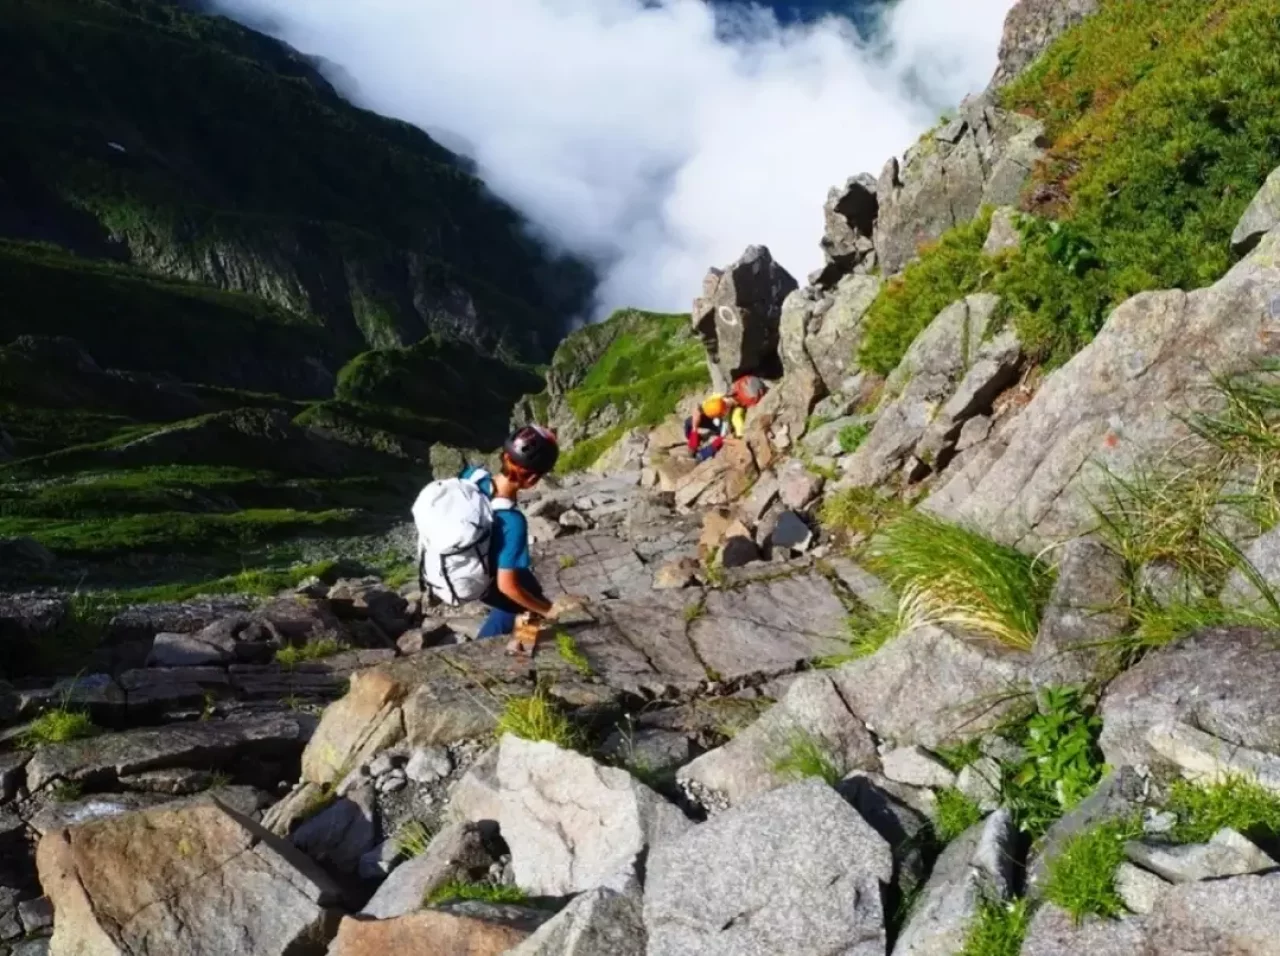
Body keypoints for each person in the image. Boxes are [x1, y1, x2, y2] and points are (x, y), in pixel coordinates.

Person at [465, 424, 580, 650]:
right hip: (487, 579)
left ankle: (513, 645)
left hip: (465, 561)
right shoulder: (512, 521)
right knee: (528, 604)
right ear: (533, 479)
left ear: (504, 456)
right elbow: (507, 587)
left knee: (529, 587)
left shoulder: (473, 476)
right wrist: (549, 611)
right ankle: (513, 653)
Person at [685, 375, 768, 461]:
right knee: (689, 422)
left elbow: (739, 439)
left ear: (723, 413)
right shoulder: (717, 398)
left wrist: (726, 440)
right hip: (716, 420)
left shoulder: (736, 416)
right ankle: (693, 443)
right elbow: (699, 410)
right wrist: (694, 428)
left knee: (719, 441)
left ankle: (701, 456)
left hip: (723, 426)